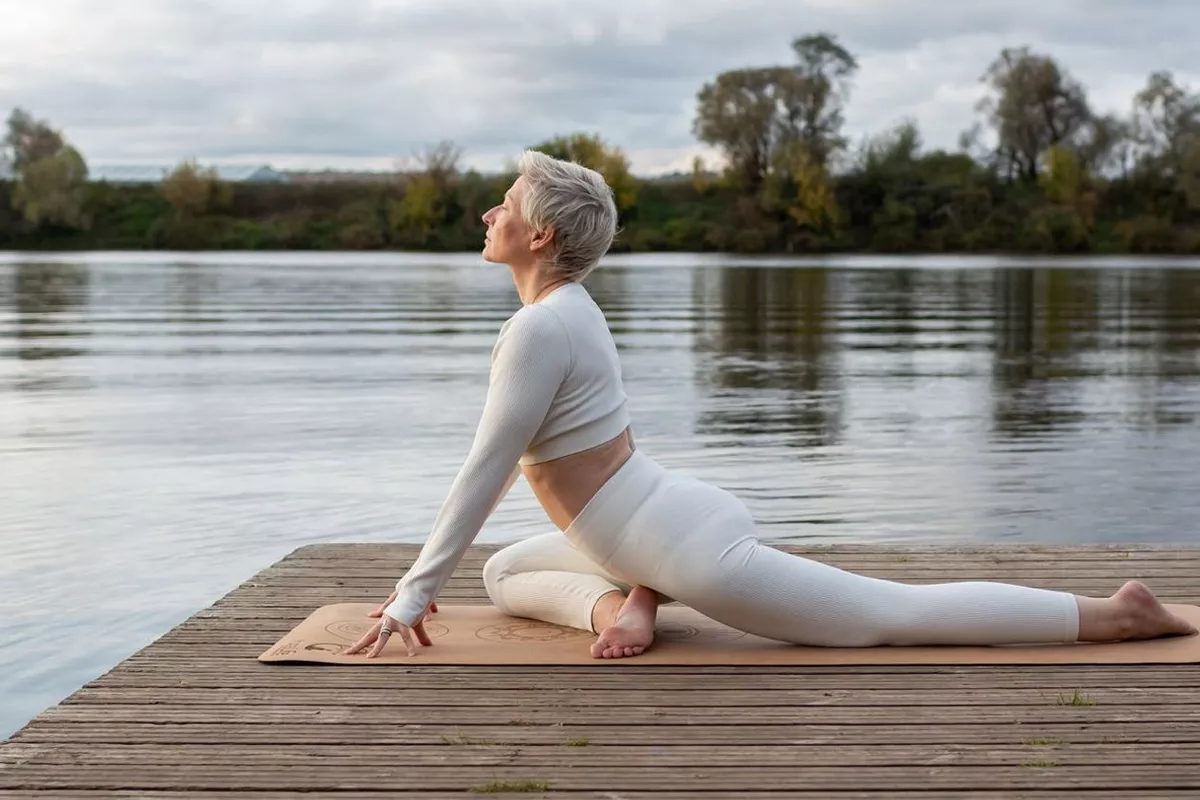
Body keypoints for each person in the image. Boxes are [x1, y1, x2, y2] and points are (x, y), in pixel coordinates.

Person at [346, 151, 1197, 660]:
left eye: (510, 204)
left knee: (889, 617)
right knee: (504, 574)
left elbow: (484, 473)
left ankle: (1114, 614)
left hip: (691, 546)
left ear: (542, 237)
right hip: (641, 524)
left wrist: (412, 596)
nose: (491, 210)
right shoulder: (564, 312)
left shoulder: (542, 327)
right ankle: (627, 599)